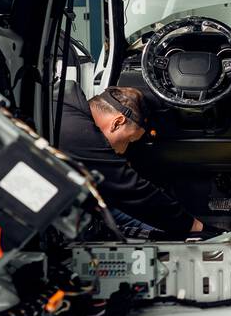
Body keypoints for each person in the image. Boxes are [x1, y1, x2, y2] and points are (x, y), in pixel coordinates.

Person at [58, 84, 203, 238]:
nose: (123, 150)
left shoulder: (66, 108)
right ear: (117, 122)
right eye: (128, 140)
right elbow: (132, 189)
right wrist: (193, 226)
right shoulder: (78, 132)